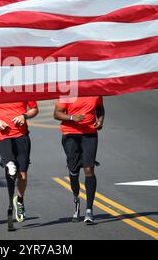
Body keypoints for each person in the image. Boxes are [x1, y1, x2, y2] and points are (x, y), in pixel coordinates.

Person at [0, 101, 38, 231]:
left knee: (23, 175)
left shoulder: (24, 88)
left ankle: (19, 201)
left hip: (22, 136)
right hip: (4, 137)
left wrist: (24, 116)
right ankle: (10, 204)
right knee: (11, 167)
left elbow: (34, 109)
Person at [54, 96, 105, 225]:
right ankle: (76, 199)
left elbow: (100, 109)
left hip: (90, 134)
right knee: (74, 170)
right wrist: (72, 117)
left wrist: (100, 121)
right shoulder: (69, 92)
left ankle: (89, 210)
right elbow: (57, 114)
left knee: (89, 169)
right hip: (70, 134)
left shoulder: (95, 92)